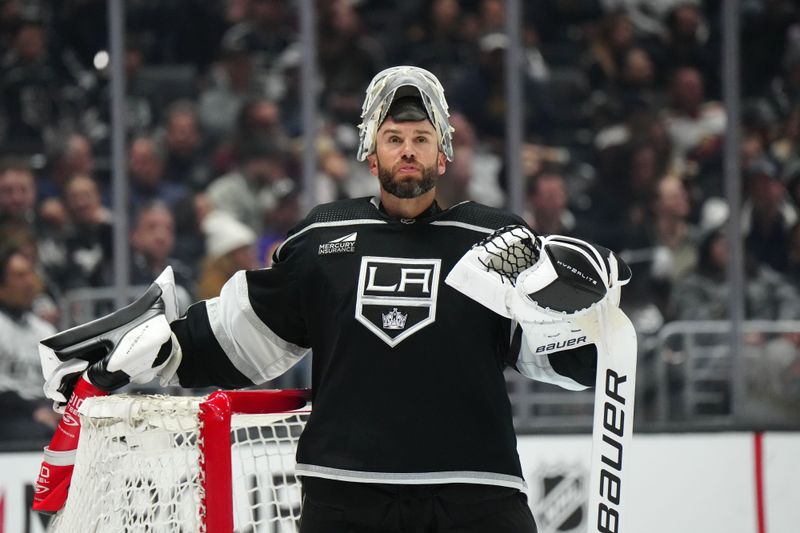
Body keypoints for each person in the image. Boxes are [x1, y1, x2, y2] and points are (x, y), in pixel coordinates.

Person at [39, 66, 631, 532]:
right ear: (369, 153)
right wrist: (164, 352)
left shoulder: (498, 241)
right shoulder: (325, 238)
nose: (407, 151)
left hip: (474, 489)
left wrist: (590, 324)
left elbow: (554, 355)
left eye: (421, 139)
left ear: (443, 153)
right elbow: (245, 331)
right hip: (347, 494)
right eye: (393, 138)